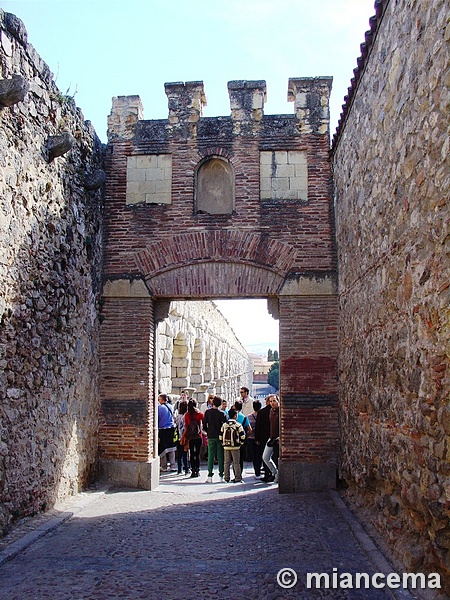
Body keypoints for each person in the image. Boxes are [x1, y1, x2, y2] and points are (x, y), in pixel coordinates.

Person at [203, 396, 227, 483]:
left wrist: (208, 431)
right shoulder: (222, 413)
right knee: (220, 456)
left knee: (210, 455)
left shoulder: (207, 412)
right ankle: (221, 475)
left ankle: (210, 475)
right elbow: (225, 425)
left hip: (210, 436)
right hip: (219, 436)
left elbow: (204, 424)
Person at [219, 408, 245, 483]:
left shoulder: (224, 425)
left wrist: (223, 444)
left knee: (226, 462)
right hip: (235, 447)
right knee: (236, 462)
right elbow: (242, 436)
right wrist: (240, 443)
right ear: (235, 416)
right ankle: (238, 477)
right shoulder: (238, 425)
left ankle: (226, 478)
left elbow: (220, 436)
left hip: (226, 446)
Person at [184, 399, 204, 478]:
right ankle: (197, 470)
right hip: (198, 436)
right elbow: (203, 424)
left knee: (192, 453)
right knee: (197, 453)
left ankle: (192, 470)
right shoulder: (200, 414)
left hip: (191, 436)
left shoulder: (187, 415)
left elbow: (186, 425)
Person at [262, 394, 280, 483]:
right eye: (271, 401)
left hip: (278, 439)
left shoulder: (280, 411)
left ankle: (277, 476)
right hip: (271, 438)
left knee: (276, 458)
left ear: (278, 401)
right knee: (265, 457)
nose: (272, 403)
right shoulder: (271, 411)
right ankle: (275, 473)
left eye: (274, 401)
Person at [255, 396, 272, 481]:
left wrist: (257, 438)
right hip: (273, 436)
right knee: (272, 456)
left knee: (265, 456)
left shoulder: (261, 412)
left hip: (263, 437)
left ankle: (267, 474)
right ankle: (273, 473)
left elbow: (258, 427)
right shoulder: (275, 411)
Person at [158, 394, 176, 472]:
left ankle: (164, 466)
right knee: (171, 448)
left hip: (162, 430)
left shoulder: (159, 408)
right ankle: (173, 465)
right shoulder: (171, 407)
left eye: (159, 399)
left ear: (162, 400)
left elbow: (157, 419)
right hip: (171, 429)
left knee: (163, 449)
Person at [246, 400, 263, 478]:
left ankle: (256, 471)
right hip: (260, 438)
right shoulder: (263, 415)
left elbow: (247, 428)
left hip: (251, 438)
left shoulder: (249, 417)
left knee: (254, 456)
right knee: (259, 455)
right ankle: (259, 470)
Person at [234, 399, 252, 472]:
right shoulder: (244, 417)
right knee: (240, 458)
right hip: (241, 440)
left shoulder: (230, 416)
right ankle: (240, 473)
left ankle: (235, 473)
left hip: (232, 440)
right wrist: (245, 437)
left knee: (233, 458)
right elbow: (250, 430)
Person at [174, 400, 190, 475]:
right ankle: (186, 469)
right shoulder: (186, 416)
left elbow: (176, 424)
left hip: (178, 436)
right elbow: (186, 427)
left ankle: (179, 469)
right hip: (184, 436)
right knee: (185, 453)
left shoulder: (178, 416)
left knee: (179, 454)